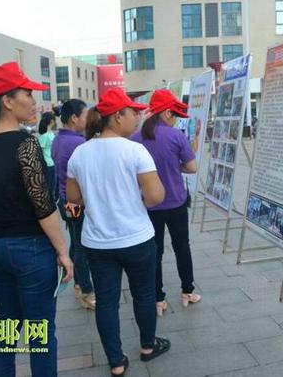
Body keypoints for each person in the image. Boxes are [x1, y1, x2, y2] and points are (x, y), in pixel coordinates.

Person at [0, 62, 73, 377]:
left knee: (7, 325)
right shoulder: (25, 144)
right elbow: (44, 206)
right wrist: (64, 253)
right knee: (40, 334)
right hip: (29, 251)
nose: (33, 100)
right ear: (7, 101)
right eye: (27, 93)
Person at [66, 88, 169, 376]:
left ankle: (116, 361)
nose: (137, 116)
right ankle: (148, 346)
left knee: (107, 301)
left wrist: (98, 200)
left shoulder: (80, 152)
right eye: (132, 112)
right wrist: (134, 200)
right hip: (136, 237)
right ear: (116, 116)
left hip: (97, 242)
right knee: (144, 294)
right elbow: (156, 196)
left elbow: (73, 196)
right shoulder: (135, 149)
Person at [131, 89, 201, 317]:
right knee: (182, 247)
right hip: (176, 202)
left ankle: (158, 298)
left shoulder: (136, 138)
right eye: (175, 115)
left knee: (155, 252)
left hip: (149, 204)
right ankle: (187, 291)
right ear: (168, 113)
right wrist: (174, 166)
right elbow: (192, 167)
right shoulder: (176, 136)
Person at [51, 99, 96, 310]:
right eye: (85, 116)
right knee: (82, 245)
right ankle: (86, 289)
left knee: (77, 238)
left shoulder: (58, 140)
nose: (87, 121)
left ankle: (79, 282)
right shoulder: (76, 143)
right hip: (74, 201)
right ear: (74, 118)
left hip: (64, 200)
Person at [38, 112, 57, 201]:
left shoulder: (51, 133)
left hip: (53, 163)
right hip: (48, 165)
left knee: (54, 186)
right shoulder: (44, 136)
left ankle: (53, 203)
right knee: (50, 187)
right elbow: (39, 151)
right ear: (52, 121)